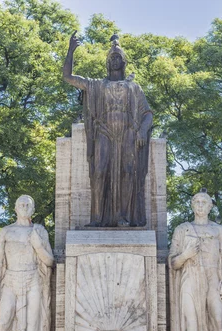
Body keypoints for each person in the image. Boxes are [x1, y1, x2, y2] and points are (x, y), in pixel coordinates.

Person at [63, 32, 153, 227]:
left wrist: (142, 131)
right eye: (111, 58)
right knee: (99, 171)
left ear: (124, 62)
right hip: (104, 131)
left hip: (128, 132)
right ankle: (97, 218)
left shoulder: (134, 87)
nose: (114, 60)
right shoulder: (97, 85)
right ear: (107, 63)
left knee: (128, 172)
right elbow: (68, 77)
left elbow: (147, 114)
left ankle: (123, 217)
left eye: (117, 57)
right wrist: (71, 51)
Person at [169, 190, 222, 331]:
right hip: (190, 277)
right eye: (196, 201)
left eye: (203, 202)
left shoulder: (218, 230)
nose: (199, 205)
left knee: (218, 320)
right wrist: (185, 255)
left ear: (210, 206)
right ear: (192, 205)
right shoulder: (182, 229)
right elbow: (172, 263)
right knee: (191, 322)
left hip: (213, 278)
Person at [0, 195, 54, 331]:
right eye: (21, 204)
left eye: (28, 204)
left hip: (33, 278)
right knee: (4, 321)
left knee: (33, 323)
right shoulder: (6, 231)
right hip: (10, 280)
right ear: (15, 208)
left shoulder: (39, 231)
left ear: (33, 209)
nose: (25, 207)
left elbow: (50, 261)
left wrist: (38, 246)